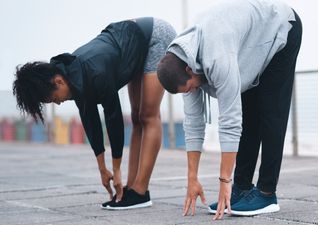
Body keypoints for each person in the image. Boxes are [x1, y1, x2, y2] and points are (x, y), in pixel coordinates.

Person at [157, 0, 302, 219]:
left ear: (189, 69)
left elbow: (230, 120)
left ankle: (266, 194)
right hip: (249, 45)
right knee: (250, 115)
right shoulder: (180, 62)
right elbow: (194, 123)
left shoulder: (217, 57)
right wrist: (192, 178)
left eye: (190, 87)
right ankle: (241, 190)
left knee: (271, 113)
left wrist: (224, 180)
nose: (193, 91)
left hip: (280, 29)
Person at [13, 17, 176, 210]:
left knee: (147, 115)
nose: (56, 102)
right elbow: (90, 120)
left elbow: (113, 117)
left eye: (53, 98)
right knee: (136, 118)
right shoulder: (72, 76)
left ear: (58, 81)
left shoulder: (95, 71)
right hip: (131, 43)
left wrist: (116, 169)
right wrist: (102, 169)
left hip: (154, 37)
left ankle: (141, 191)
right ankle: (131, 188)